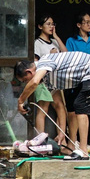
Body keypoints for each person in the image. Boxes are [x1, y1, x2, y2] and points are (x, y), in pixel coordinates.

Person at [15, 51, 90, 156]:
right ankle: (71, 146)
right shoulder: (47, 80)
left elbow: (34, 82)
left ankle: (83, 150)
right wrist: (61, 133)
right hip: (81, 79)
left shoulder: (44, 62)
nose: (27, 84)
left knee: (80, 106)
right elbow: (58, 106)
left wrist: (21, 101)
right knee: (71, 108)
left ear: (29, 72)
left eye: (25, 81)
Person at [65, 13, 90, 148]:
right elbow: (69, 60)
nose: (89, 25)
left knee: (86, 111)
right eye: (86, 22)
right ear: (79, 25)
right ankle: (72, 141)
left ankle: (85, 143)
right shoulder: (71, 41)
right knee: (73, 110)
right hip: (76, 79)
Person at [33, 15, 68, 144]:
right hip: (44, 80)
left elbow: (66, 54)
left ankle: (62, 138)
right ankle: (40, 140)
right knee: (43, 109)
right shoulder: (38, 43)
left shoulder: (54, 42)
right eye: (48, 24)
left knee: (60, 106)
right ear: (40, 26)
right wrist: (50, 56)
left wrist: (57, 38)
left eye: (53, 24)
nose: (51, 26)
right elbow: (35, 62)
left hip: (55, 80)